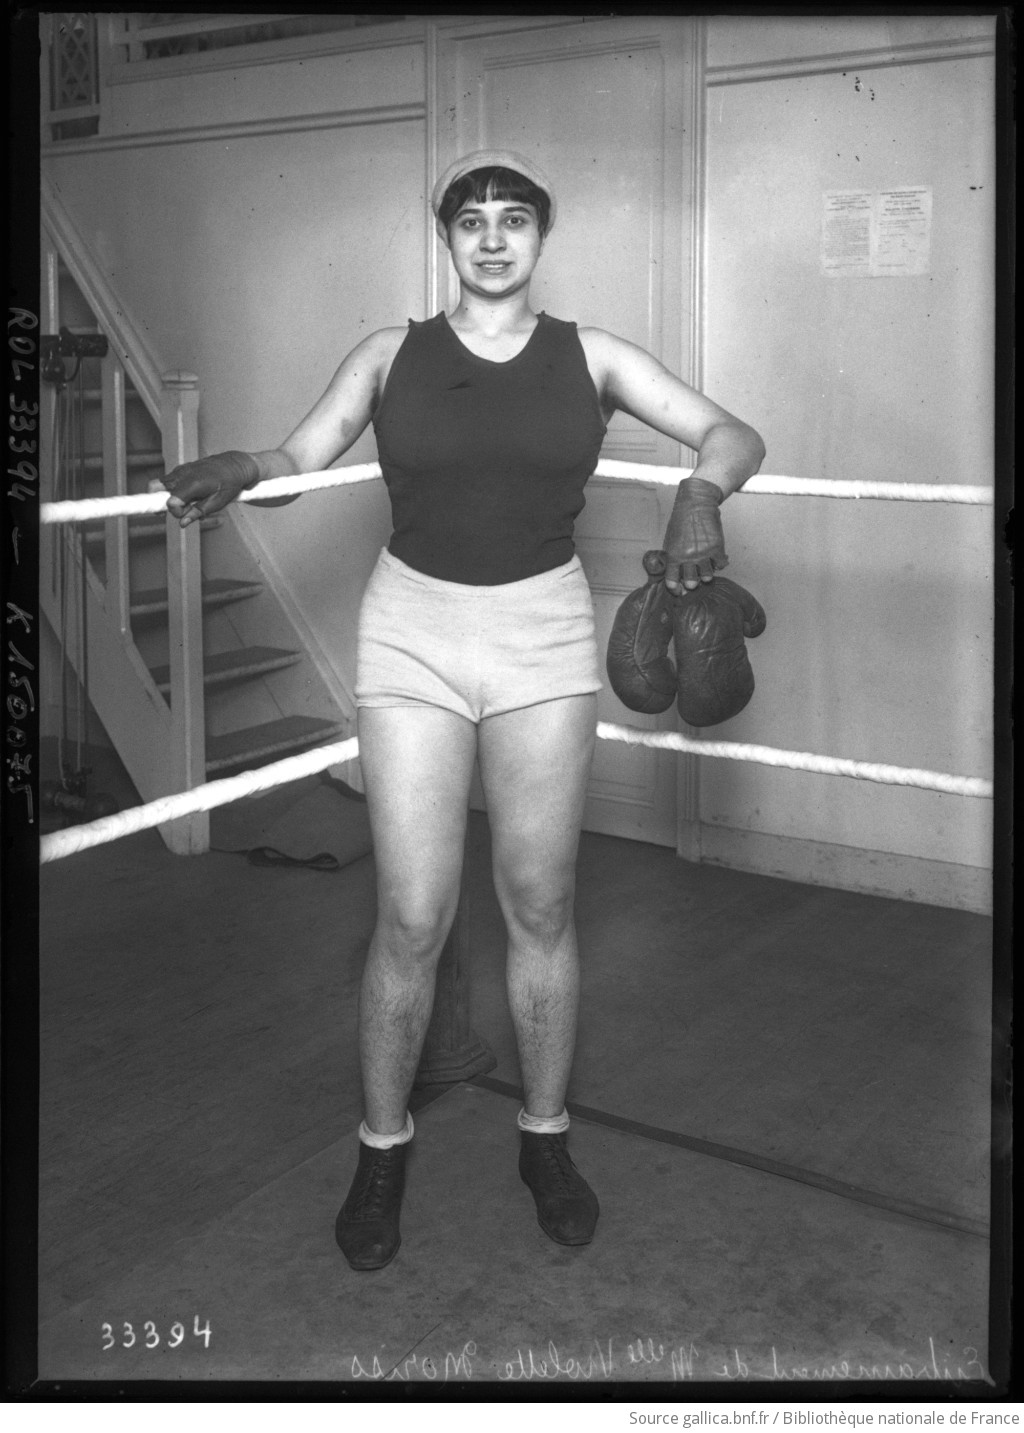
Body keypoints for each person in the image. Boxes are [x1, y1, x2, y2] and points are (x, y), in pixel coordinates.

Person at [157, 150, 765, 1271]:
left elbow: (734, 433)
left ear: (542, 236)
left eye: (515, 219)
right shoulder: (391, 353)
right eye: (472, 220)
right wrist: (244, 462)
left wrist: (697, 492)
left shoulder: (595, 355)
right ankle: (381, 1147)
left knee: (539, 899)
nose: (493, 238)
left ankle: (545, 1138)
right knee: (413, 912)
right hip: (413, 634)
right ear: (446, 238)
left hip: (540, 633)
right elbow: (303, 449)